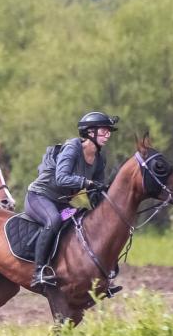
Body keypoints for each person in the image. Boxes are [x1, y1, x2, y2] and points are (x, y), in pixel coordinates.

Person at [25, 111, 117, 289]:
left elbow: (95, 191)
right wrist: (87, 182)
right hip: (39, 197)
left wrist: (103, 211)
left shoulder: (100, 158)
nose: (108, 135)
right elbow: (62, 178)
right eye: (104, 131)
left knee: (80, 220)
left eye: (109, 132)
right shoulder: (73, 147)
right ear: (90, 132)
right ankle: (39, 271)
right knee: (54, 220)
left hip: (63, 203)